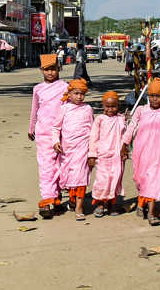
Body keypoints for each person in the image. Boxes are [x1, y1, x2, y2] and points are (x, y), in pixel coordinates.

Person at [122, 78, 160, 226]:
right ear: (148, 95)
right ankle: (141, 204)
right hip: (141, 154)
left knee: (154, 181)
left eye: (158, 96)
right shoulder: (141, 111)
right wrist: (124, 144)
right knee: (143, 181)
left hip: (159, 156)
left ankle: (152, 213)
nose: (154, 99)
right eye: (152, 95)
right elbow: (131, 128)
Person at [29, 53, 69, 218]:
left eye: (53, 69)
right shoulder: (38, 89)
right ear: (41, 70)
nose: (50, 73)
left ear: (59, 69)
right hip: (44, 132)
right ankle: (47, 199)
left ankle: (57, 197)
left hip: (63, 133)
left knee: (61, 166)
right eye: (47, 70)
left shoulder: (66, 87)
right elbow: (34, 110)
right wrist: (31, 128)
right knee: (46, 167)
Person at [52, 78, 95, 221]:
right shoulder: (64, 109)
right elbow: (56, 127)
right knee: (70, 178)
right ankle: (72, 199)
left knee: (81, 178)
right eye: (76, 93)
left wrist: (93, 151)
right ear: (69, 94)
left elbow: (92, 129)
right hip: (67, 150)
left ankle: (79, 207)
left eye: (82, 94)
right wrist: (56, 141)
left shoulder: (87, 109)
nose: (79, 97)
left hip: (83, 148)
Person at [89, 90, 126, 218]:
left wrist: (125, 151)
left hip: (117, 156)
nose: (110, 109)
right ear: (103, 105)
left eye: (113, 106)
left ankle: (111, 204)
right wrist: (92, 155)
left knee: (115, 179)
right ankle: (100, 204)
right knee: (102, 180)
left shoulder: (121, 119)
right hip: (103, 155)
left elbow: (126, 137)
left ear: (118, 105)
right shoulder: (100, 119)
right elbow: (93, 137)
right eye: (107, 106)